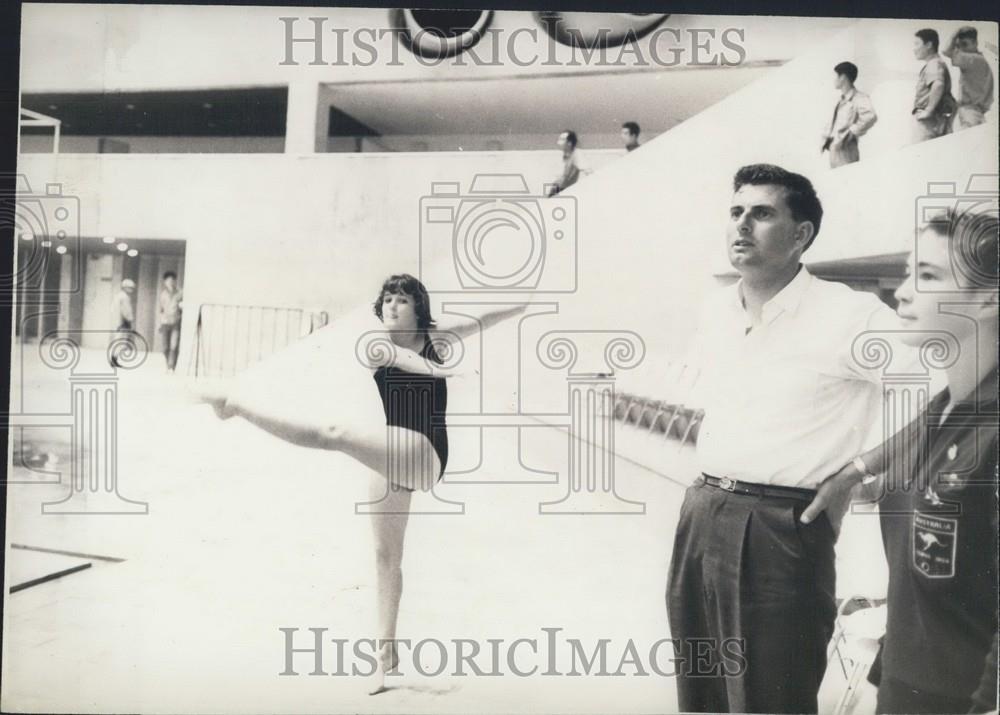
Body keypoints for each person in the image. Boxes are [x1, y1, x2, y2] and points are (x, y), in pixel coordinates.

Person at [666, 164, 925, 714]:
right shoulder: (717, 308)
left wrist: (858, 471)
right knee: (702, 695)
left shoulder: (848, 314)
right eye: (736, 212)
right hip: (702, 510)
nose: (742, 225)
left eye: (762, 213)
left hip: (780, 527)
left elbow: (935, 396)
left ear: (801, 234)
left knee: (769, 698)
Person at [193, 273, 525, 694]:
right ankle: (385, 658)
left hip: (425, 452)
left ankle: (234, 406)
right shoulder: (377, 346)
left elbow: (480, 320)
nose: (392, 306)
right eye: (387, 299)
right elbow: (410, 365)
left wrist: (522, 305)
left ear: (418, 308)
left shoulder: (436, 338)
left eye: (402, 300)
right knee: (386, 557)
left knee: (336, 433)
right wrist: (447, 371)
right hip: (391, 452)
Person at [801, 208, 999, 713]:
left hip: (961, 697)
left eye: (928, 276)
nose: (902, 292)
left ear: (990, 297)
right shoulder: (943, 409)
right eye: (910, 272)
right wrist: (853, 473)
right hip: (904, 675)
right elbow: (919, 435)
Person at [821, 61, 878, 168]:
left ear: (842, 77)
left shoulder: (859, 97)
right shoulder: (840, 100)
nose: (834, 80)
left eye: (836, 77)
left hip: (847, 150)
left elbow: (870, 116)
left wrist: (852, 131)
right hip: (835, 149)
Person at [942, 26, 995, 130]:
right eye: (959, 46)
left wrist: (956, 32)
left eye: (965, 44)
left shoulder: (973, 60)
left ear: (975, 43)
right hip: (977, 113)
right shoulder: (981, 61)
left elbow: (946, 51)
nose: (962, 49)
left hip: (970, 113)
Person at [912, 29, 958, 143]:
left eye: (917, 44)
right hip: (937, 118)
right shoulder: (937, 63)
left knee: (919, 155)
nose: (914, 48)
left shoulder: (934, 63)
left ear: (928, 45)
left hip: (930, 122)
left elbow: (938, 85)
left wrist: (928, 110)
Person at [545, 130, 590, 197]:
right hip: (557, 190)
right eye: (559, 139)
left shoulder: (577, 154)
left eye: (562, 139)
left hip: (564, 191)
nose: (558, 142)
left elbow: (588, 171)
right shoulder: (566, 154)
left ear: (569, 143)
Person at [158, 271, 183, 373]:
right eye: (168, 280)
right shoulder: (163, 294)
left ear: (175, 281)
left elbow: (182, 308)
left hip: (175, 322)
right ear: (165, 282)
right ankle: (168, 363)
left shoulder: (180, 293)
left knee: (174, 345)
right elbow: (161, 309)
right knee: (165, 347)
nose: (170, 282)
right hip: (165, 323)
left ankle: (171, 366)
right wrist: (160, 322)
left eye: (172, 280)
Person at [110, 278, 136, 368]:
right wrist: (130, 320)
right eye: (130, 288)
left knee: (117, 340)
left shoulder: (118, 296)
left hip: (117, 322)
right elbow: (126, 311)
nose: (132, 290)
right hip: (123, 322)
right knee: (121, 341)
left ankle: (114, 358)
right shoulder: (125, 297)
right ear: (125, 288)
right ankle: (114, 359)